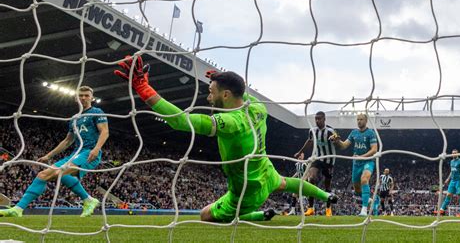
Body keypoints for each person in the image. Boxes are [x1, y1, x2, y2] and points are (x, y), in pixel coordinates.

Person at [113, 56, 337, 222]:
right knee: (287, 183)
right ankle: (326, 195)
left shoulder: (229, 123)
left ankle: (252, 215)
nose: (208, 95)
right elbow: (240, 90)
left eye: (212, 91)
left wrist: (142, 87)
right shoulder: (258, 107)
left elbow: (179, 121)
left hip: (246, 188)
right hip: (264, 169)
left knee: (205, 215)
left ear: (226, 95)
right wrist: (221, 79)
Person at [0, 86, 108, 218]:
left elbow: (104, 131)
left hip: (89, 152)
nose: (83, 98)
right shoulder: (74, 118)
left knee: (59, 172)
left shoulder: (96, 112)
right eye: (81, 95)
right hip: (75, 153)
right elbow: (67, 141)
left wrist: (96, 149)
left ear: (92, 97)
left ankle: (88, 200)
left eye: (86, 95)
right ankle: (17, 209)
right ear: (76, 98)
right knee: (42, 174)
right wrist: (48, 156)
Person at [330, 113, 378, 217]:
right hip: (356, 163)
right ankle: (369, 199)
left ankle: (364, 210)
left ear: (366, 121)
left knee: (364, 179)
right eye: (358, 119)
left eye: (361, 119)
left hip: (368, 161)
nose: (359, 121)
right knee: (357, 189)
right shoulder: (354, 132)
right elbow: (343, 146)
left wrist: (362, 156)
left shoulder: (371, 133)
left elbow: (374, 149)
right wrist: (336, 141)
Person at [294, 111, 339, 216]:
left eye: (319, 119)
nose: (317, 121)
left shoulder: (330, 131)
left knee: (327, 186)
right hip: (317, 158)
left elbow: (337, 138)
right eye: (316, 119)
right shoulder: (312, 131)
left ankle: (328, 208)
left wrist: (334, 138)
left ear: (324, 119)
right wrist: (300, 152)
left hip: (329, 160)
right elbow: (309, 141)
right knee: (312, 179)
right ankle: (310, 208)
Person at [438, 149, 460, 217]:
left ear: (457, 154)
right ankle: (442, 209)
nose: (453, 154)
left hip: (458, 181)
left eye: (455, 153)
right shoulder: (451, 161)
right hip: (452, 181)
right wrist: (448, 179)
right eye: (452, 153)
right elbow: (452, 171)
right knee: (448, 194)